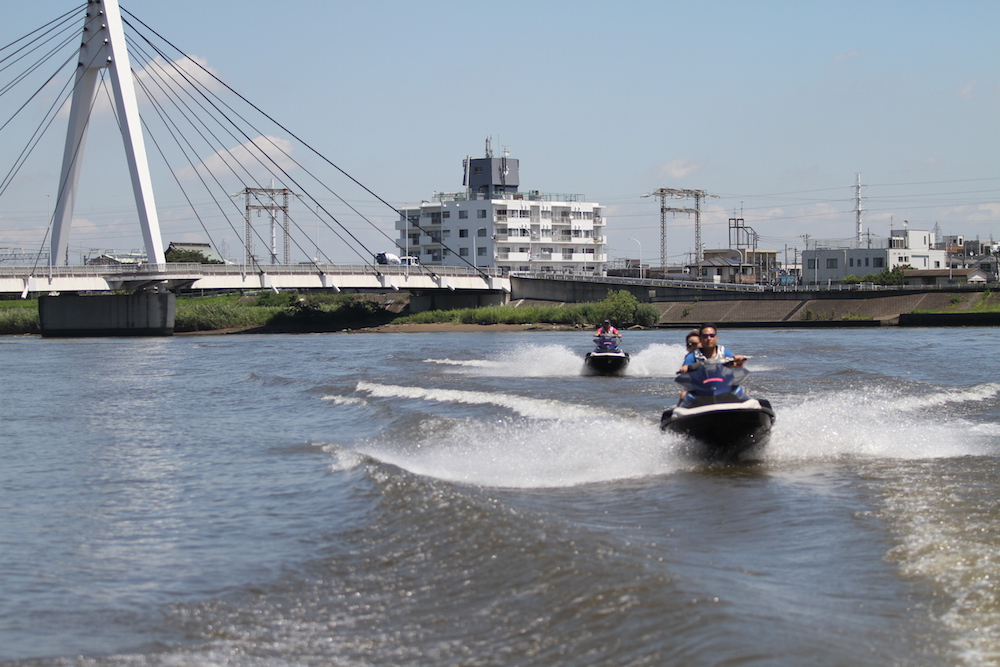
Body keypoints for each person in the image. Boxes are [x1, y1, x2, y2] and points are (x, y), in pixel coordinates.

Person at [678, 324, 746, 373]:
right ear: (700, 339)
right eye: (705, 336)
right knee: (683, 393)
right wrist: (684, 369)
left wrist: (739, 361)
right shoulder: (692, 356)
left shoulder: (724, 353)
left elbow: (737, 366)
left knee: (741, 390)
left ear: (716, 338)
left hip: (723, 384)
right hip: (701, 386)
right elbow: (685, 368)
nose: (709, 339)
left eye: (712, 336)